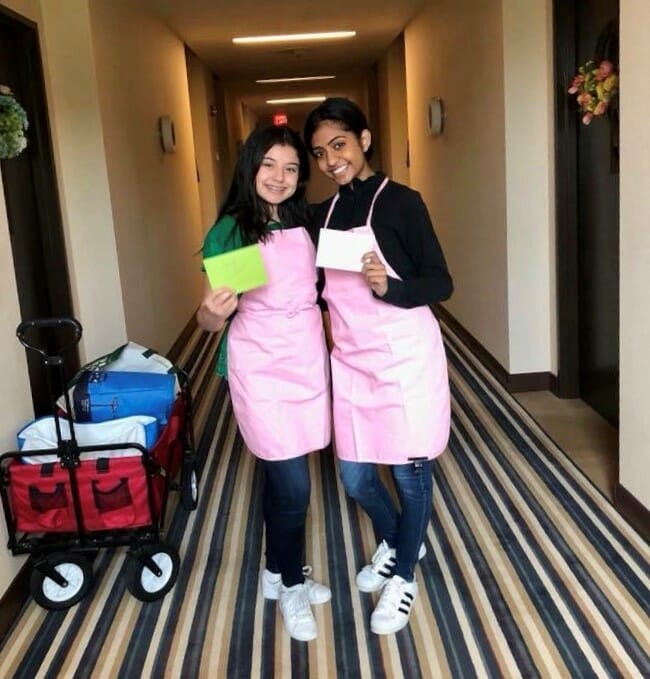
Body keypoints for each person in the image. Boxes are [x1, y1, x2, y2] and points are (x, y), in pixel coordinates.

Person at [304, 98, 453, 635]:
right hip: (351, 363)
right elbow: (286, 268)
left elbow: (441, 282)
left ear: (364, 140)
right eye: (319, 153)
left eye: (339, 145)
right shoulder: (321, 216)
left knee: (411, 476)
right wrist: (221, 271)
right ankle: (401, 539)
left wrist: (392, 287)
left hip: (403, 356)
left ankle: (404, 576)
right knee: (355, 476)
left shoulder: (403, 203)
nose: (330, 160)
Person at [196, 124, 331, 642]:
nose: (279, 177)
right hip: (260, 363)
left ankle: (275, 569)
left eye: (292, 168)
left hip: (305, 355)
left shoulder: (306, 224)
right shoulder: (235, 229)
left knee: (287, 477)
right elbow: (216, 317)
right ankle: (293, 585)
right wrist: (208, 315)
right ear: (250, 167)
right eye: (269, 165)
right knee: (294, 483)